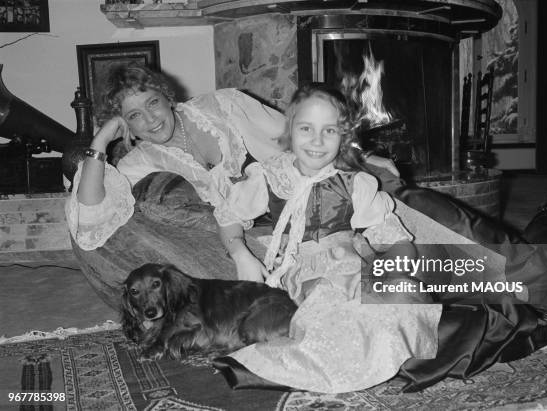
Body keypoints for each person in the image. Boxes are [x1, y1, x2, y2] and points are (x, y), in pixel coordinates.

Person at [65, 63, 399, 283]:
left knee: (395, 200)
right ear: (128, 125)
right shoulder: (139, 162)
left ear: (167, 97)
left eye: (152, 103)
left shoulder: (224, 104)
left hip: (309, 192)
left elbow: (296, 133)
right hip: (240, 230)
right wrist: (103, 137)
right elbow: (90, 208)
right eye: (135, 116)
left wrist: (362, 155)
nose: (151, 120)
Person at [214, 83, 442, 393]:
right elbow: (228, 218)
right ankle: (355, 354)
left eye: (330, 131)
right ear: (290, 129)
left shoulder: (354, 182)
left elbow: (392, 236)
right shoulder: (270, 177)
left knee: (401, 300)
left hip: (354, 267)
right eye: (306, 128)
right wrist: (241, 254)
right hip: (305, 273)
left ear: (343, 137)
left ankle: (387, 349)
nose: (317, 141)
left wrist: (395, 271)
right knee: (331, 308)